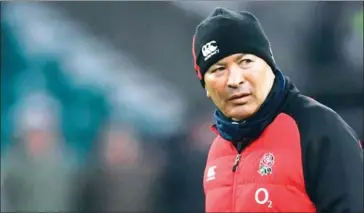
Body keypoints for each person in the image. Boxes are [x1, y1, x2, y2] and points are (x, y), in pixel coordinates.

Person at [191, 7, 363, 212]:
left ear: (270, 66)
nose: (235, 80)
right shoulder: (217, 151)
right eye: (218, 69)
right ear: (206, 87)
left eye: (245, 62)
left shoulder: (318, 129)